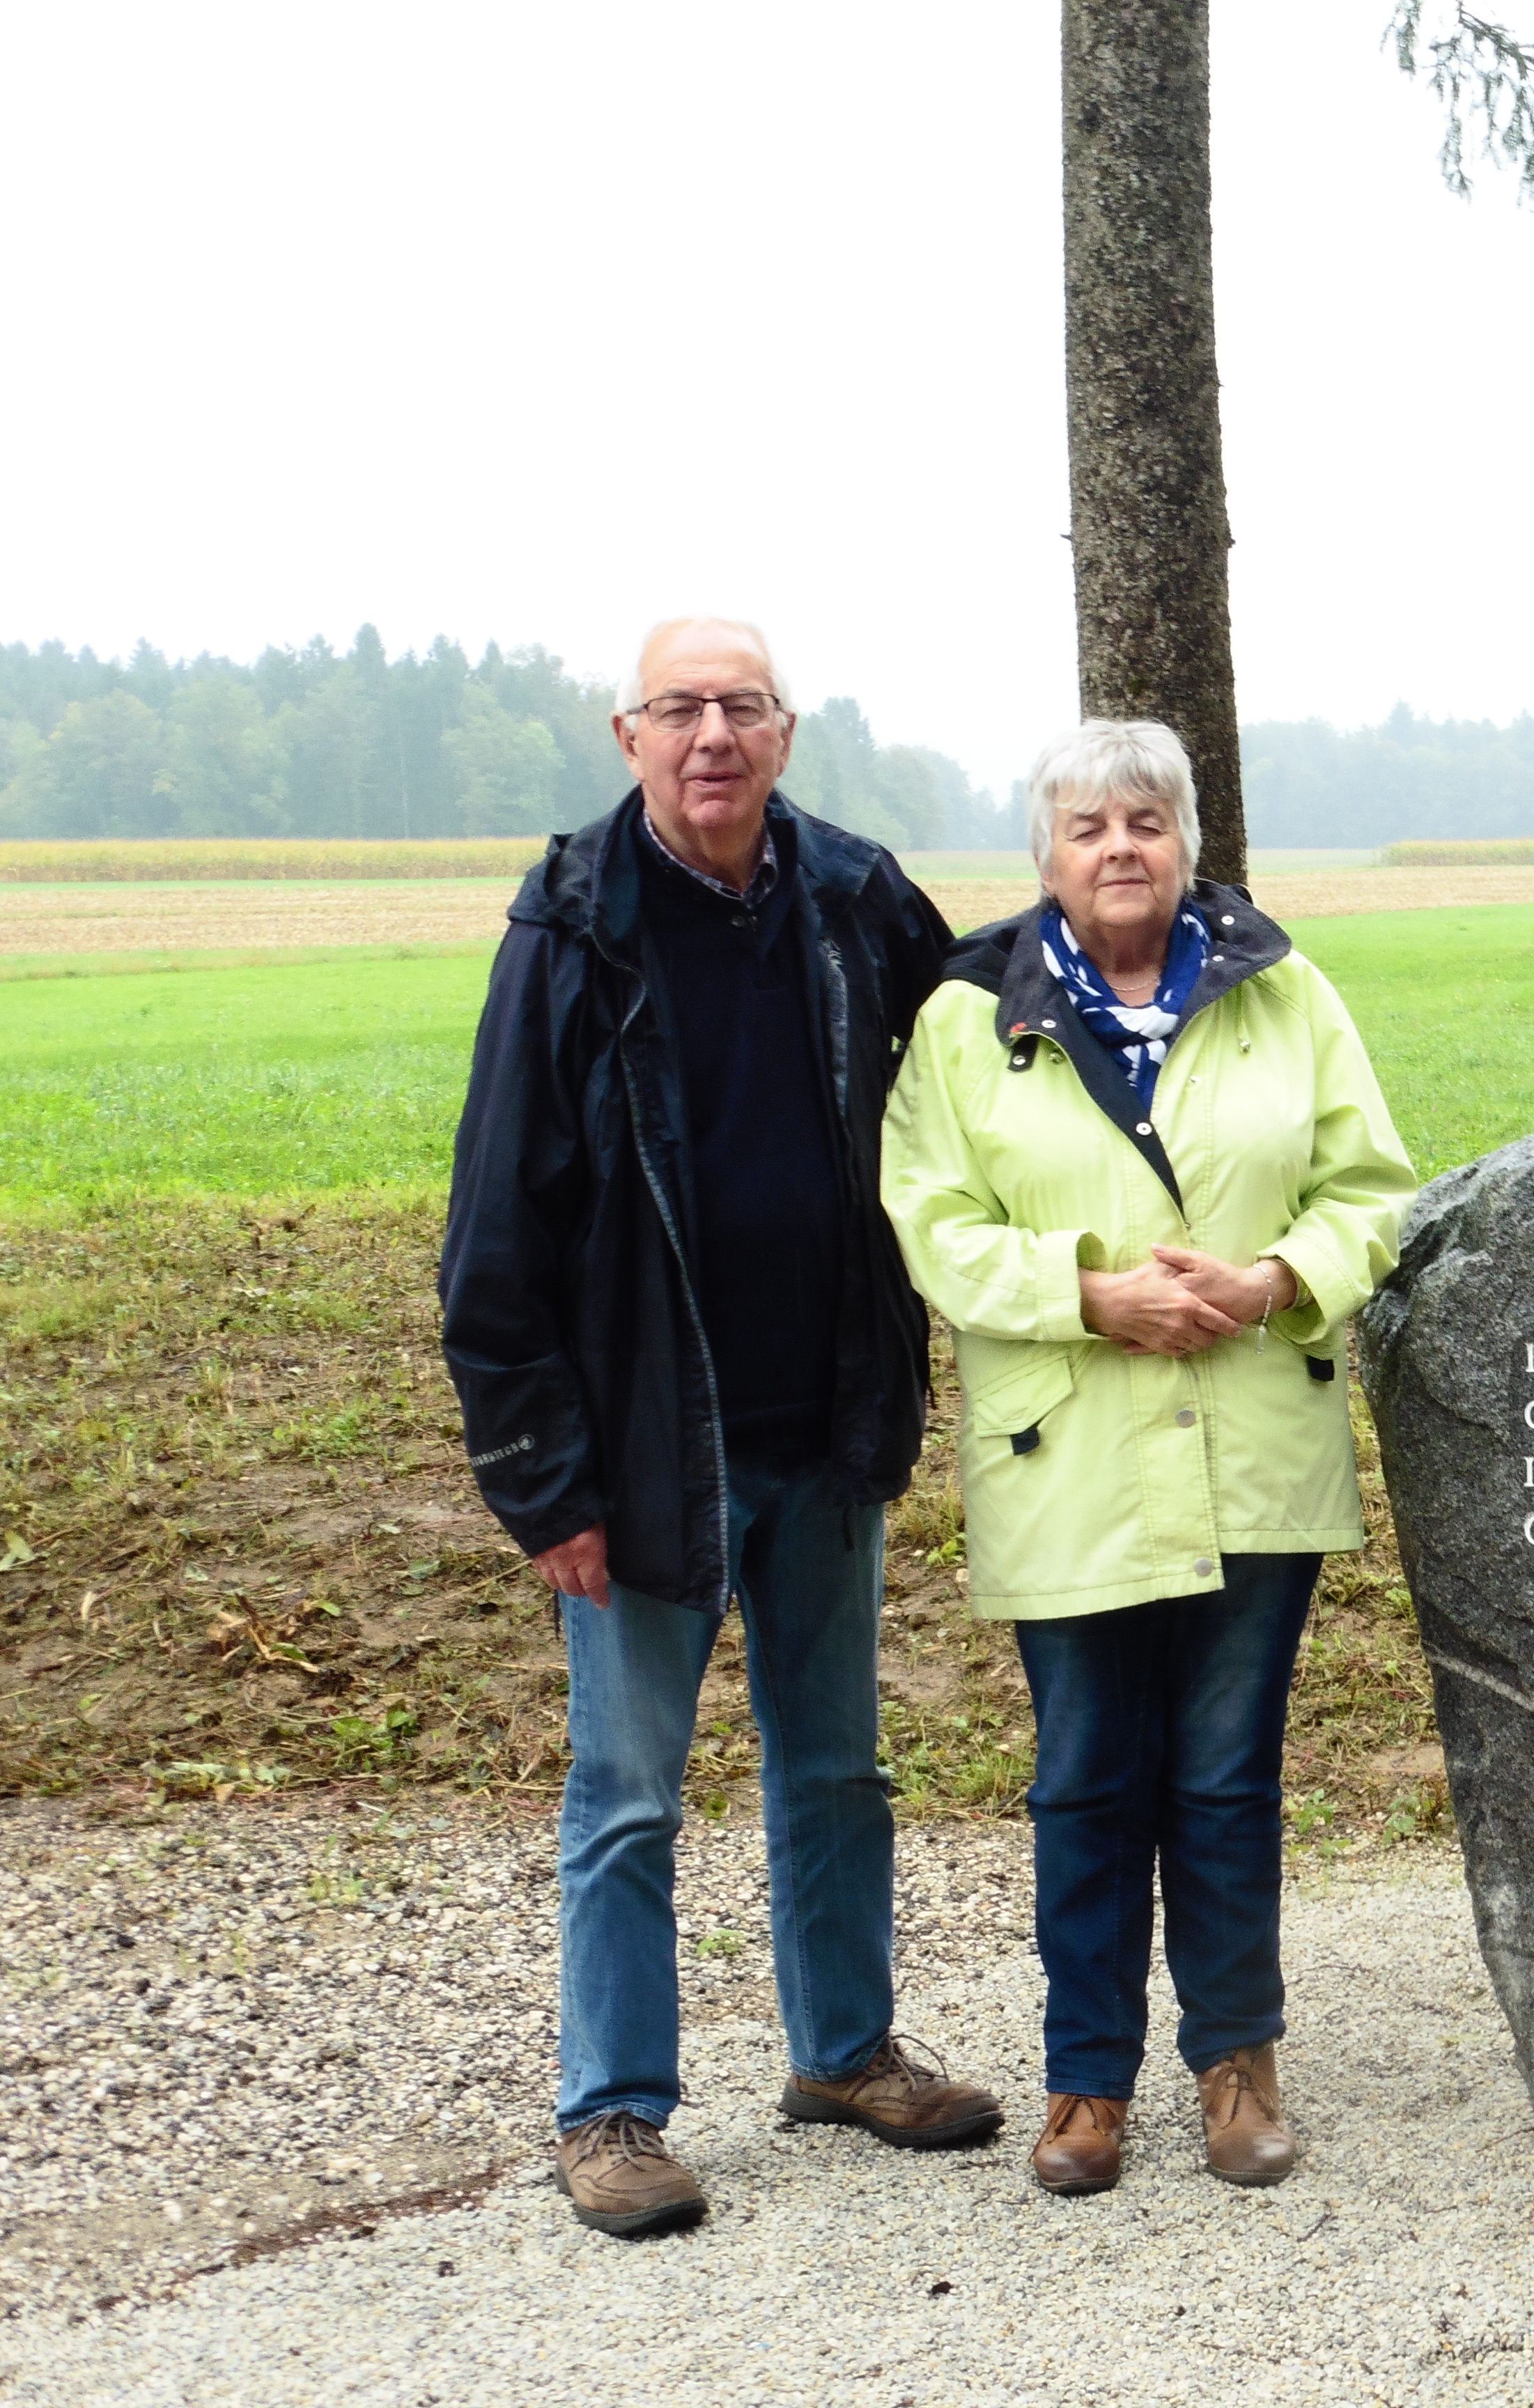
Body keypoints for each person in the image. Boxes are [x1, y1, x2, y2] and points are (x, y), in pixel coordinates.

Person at [440, 615, 1001, 2239]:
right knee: (628, 1793)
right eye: (679, 709)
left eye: (740, 708)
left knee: (836, 1768)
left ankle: (842, 2055)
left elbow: (985, 1031)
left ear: (784, 732)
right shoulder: (569, 926)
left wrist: (1166, 926)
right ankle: (613, 2110)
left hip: (826, 1426)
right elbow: (496, 1232)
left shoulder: (855, 899)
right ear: (628, 738)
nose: (712, 737)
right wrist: (541, 1478)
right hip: (639, 1450)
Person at [880, 719, 1413, 2195]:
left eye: (1145, 822)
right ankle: (1086, 2083)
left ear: (1187, 843)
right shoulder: (967, 1017)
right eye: (1086, 825)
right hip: (1073, 1458)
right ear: (1044, 856)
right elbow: (932, 1221)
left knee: (1230, 1776)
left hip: (1252, 1447)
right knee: (1087, 1780)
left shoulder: (1285, 994)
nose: (1119, 847)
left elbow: (1373, 1192)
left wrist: (1272, 1281)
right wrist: (1088, 1294)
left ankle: (1238, 2066)